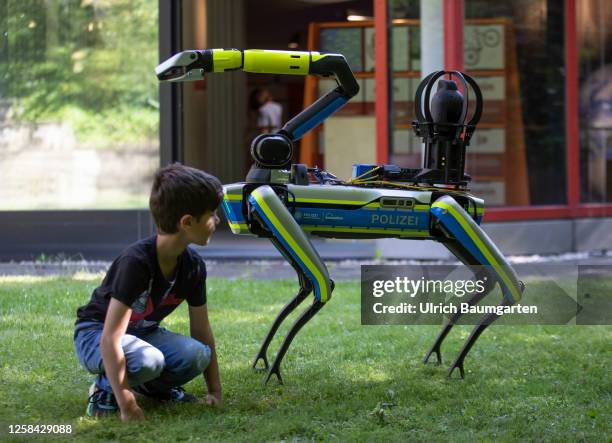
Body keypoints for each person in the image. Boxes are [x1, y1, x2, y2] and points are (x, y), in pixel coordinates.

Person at [73, 163, 223, 421]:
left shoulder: (193, 267)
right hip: (95, 334)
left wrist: (215, 390)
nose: (217, 220)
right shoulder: (137, 263)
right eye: (212, 214)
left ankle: (153, 388)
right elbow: (110, 338)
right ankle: (105, 391)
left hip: (141, 334)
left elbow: (201, 331)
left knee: (197, 354)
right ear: (187, 221)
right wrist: (127, 403)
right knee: (148, 360)